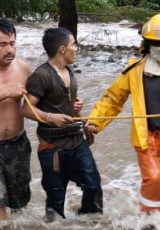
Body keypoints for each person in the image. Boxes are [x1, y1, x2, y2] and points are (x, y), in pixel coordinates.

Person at [85, 12, 160, 213]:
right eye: (155, 43)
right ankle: (148, 219)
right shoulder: (134, 70)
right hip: (147, 137)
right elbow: (113, 98)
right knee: (155, 179)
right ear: (146, 43)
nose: (159, 48)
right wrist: (95, 121)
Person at [21, 27, 103, 222]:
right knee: (56, 199)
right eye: (73, 44)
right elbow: (25, 109)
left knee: (93, 186)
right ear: (62, 49)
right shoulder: (41, 76)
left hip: (77, 141)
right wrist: (51, 117)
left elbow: (68, 103)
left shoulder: (69, 70)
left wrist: (78, 108)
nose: (76, 48)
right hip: (53, 147)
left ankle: (87, 222)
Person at [0, 18, 32, 228]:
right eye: (2, 45)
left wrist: (72, 105)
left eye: (12, 43)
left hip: (18, 144)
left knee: (20, 203)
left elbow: (41, 102)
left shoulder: (24, 69)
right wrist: (4, 93)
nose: (10, 49)